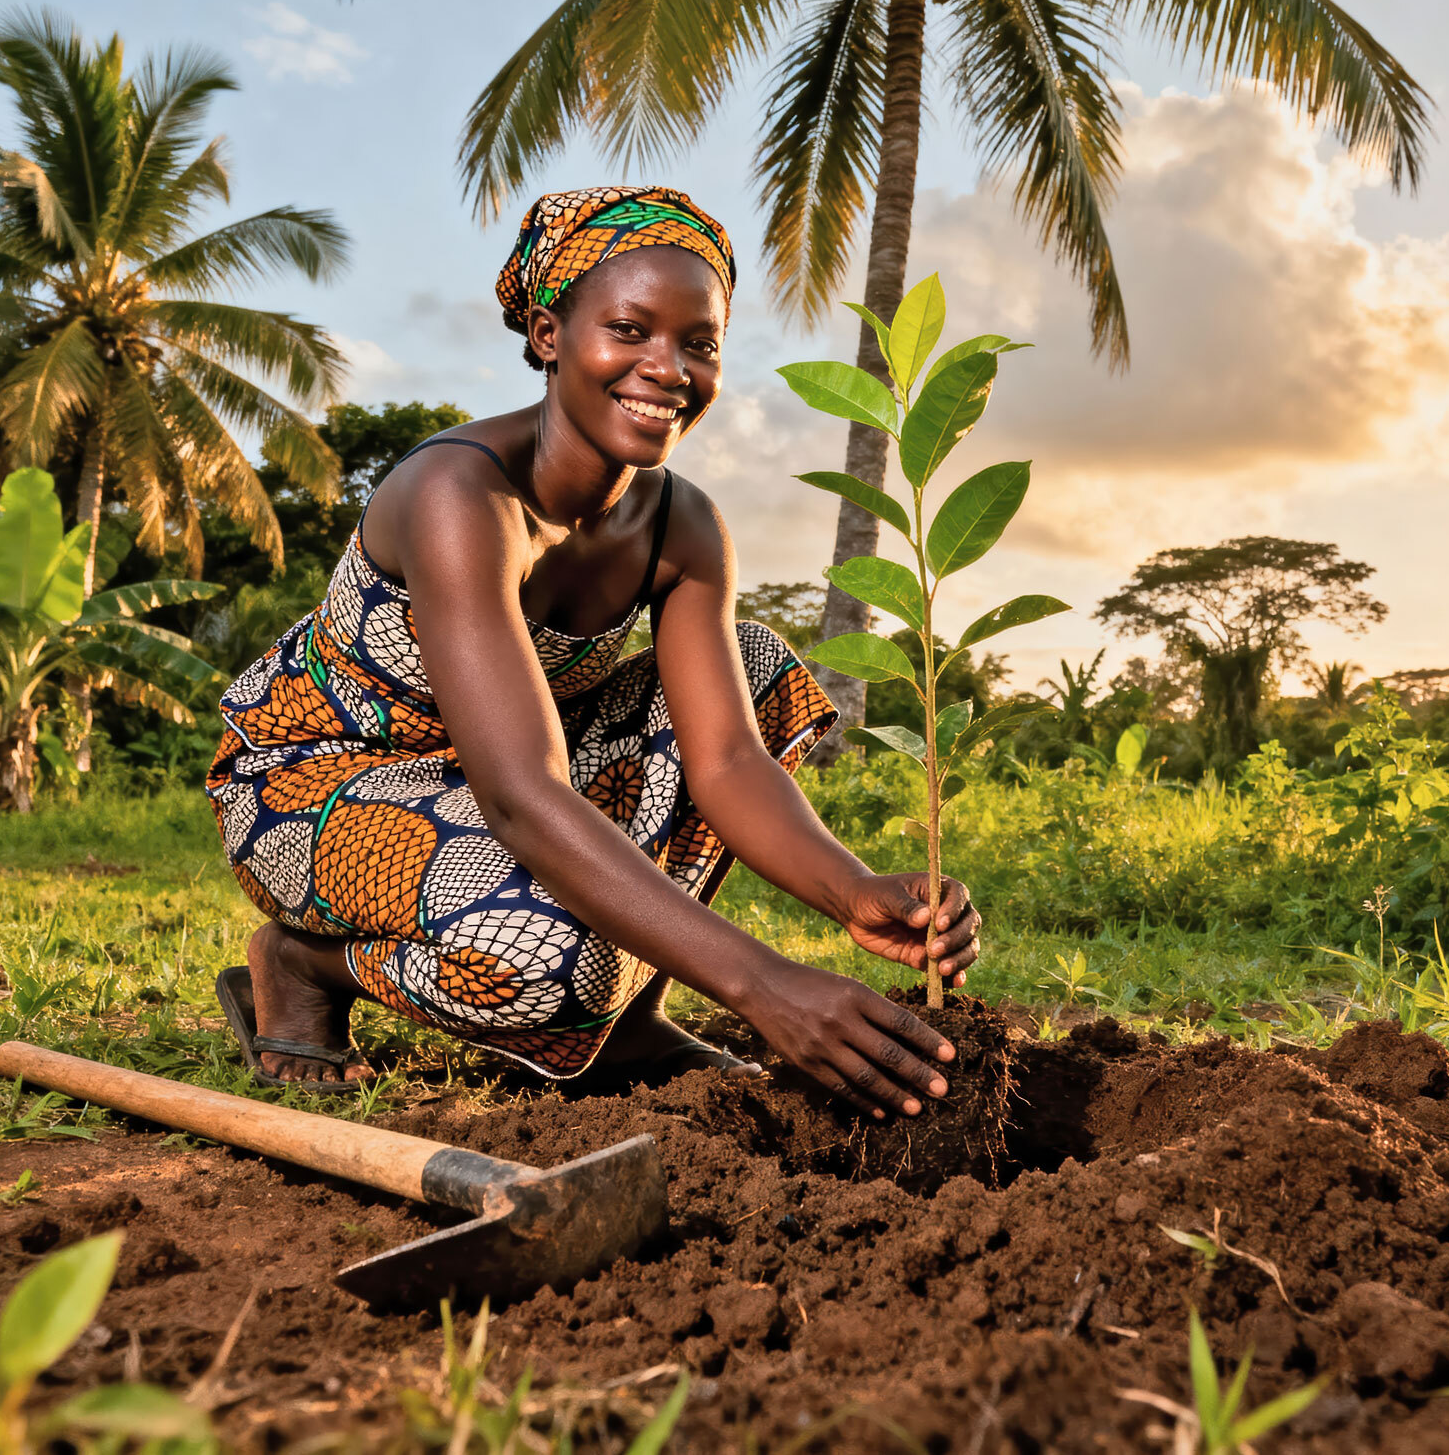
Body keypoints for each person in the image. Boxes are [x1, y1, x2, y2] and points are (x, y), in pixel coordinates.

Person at [205, 185, 980, 1118]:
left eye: (699, 343)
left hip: (498, 780)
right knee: (552, 963)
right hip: (313, 784)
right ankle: (303, 966)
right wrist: (760, 983)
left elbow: (728, 761)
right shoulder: (459, 495)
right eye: (630, 330)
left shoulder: (683, 527)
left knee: (757, 663)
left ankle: (628, 1019)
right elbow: (523, 796)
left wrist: (853, 891)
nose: (667, 368)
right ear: (547, 335)